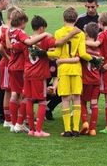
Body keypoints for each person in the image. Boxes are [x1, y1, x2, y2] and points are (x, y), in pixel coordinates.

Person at [41, 7, 102, 137]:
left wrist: (43, 53)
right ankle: (75, 129)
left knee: (65, 100)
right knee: (76, 99)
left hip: (63, 70)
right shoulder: (80, 34)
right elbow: (83, 54)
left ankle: (67, 129)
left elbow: (57, 52)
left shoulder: (58, 32)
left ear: (63, 18)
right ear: (76, 20)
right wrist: (94, 60)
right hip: (76, 69)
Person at [24, 15, 81, 137]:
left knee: (29, 99)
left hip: (28, 72)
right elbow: (59, 43)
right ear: (41, 28)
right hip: (39, 74)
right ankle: (38, 131)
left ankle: (31, 130)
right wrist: (72, 33)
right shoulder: (45, 40)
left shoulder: (27, 39)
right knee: (42, 101)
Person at [0, 6, 18, 128]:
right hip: (7, 64)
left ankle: (10, 118)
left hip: (8, 64)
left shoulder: (3, 28)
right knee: (9, 91)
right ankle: (8, 119)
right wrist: (9, 58)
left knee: (11, 91)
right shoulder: (7, 29)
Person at [79, 22, 101, 136]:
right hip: (96, 80)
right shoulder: (99, 48)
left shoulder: (84, 47)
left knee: (82, 101)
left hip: (85, 80)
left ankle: (85, 123)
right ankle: (92, 129)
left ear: (86, 33)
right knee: (94, 104)